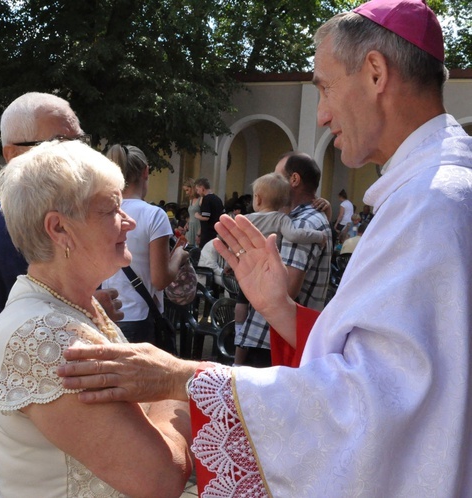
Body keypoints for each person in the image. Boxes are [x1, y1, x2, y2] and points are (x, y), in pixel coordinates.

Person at [58, 0, 472, 495]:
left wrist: (185, 377)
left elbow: (372, 405)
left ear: (376, 72)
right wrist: (280, 307)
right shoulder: (431, 192)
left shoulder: (432, 204)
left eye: (324, 86)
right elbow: (393, 366)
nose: (321, 115)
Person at [0, 138, 191, 497]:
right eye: (111, 210)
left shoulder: (76, 306)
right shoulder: (44, 335)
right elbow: (159, 477)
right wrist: (176, 387)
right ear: (58, 228)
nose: (128, 223)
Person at [0, 92, 123, 497]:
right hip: (6, 462)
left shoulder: (83, 232)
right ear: (13, 154)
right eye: (62, 144)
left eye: (80, 141)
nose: (78, 154)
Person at [233, 171, 330, 366]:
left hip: (245, 270)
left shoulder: (247, 218)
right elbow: (294, 235)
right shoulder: (282, 219)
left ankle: (238, 333)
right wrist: (318, 236)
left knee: (241, 302)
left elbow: (234, 241)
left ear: (257, 199)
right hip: (266, 272)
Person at [102, 144, 190, 344]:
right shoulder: (154, 215)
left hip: (106, 313)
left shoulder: (102, 212)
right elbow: (160, 279)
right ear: (146, 171)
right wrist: (179, 256)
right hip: (139, 317)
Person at [193, 177, 224, 248]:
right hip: (217, 231)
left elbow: (206, 217)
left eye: (197, 190)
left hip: (208, 233)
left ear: (202, 188)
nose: (197, 192)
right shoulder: (217, 199)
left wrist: (197, 215)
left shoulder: (206, 199)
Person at [181, 177, 201, 246]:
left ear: (192, 187)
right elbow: (191, 214)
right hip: (190, 227)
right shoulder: (191, 200)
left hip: (198, 226)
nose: (186, 192)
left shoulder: (200, 199)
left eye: (187, 190)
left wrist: (200, 232)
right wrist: (187, 223)